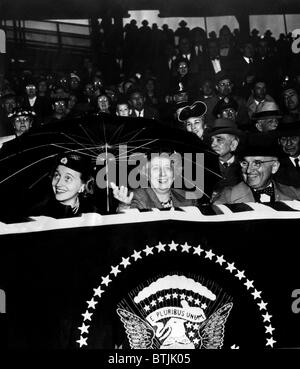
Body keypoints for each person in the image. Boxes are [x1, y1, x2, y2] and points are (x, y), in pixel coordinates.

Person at [213, 139, 300, 204]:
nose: (248, 170)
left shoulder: (295, 195)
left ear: (274, 167)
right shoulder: (226, 197)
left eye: (257, 163)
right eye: (245, 163)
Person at [111, 152, 198, 211]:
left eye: (167, 167)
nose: (162, 174)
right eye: (156, 168)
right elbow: (128, 224)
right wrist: (125, 205)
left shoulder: (189, 199)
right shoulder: (136, 196)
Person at [29, 153, 97, 218]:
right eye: (56, 175)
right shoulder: (38, 213)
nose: (58, 184)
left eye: (68, 178)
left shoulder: (92, 214)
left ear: (82, 186)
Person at [206, 118, 243, 195]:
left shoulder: (245, 166)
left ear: (233, 144)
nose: (213, 145)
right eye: (212, 140)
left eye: (219, 140)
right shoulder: (202, 165)